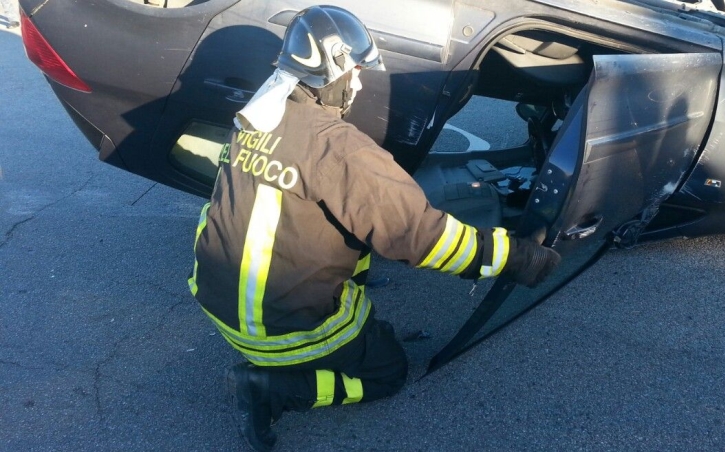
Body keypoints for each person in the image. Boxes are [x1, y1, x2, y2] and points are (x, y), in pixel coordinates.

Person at [188, 6, 560, 451]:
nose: (360, 83)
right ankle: (275, 389)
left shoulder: (255, 119)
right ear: (335, 67)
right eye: (357, 70)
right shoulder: (339, 150)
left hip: (218, 304)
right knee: (388, 373)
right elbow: (424, 237)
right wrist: (515, 258)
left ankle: (292, 350)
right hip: (287, 329)